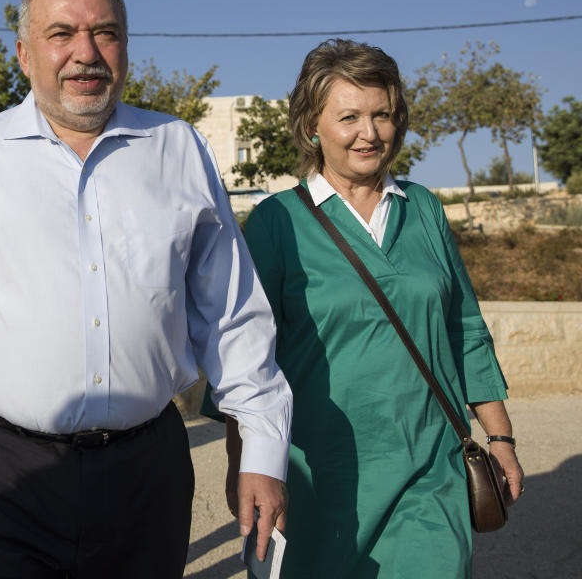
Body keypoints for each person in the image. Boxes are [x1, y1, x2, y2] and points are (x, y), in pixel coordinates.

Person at [0, 0, 293, 577]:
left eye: (106, 34)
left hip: (146, 476)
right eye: (61, 33)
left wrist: (263, 449)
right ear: (23, 52)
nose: (85, 54)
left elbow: (231, 313)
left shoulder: (179, 149)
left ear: (125, 47)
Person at [205, 38, 524, 578]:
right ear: (312, 125)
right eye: (349, 116)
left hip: (432, 468)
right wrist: (246, 470)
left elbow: (464, 327)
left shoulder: (422, 209)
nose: (370, 132)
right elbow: (246, 358)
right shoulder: (275, 222)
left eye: (382, 115)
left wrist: (501, 438)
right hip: (318, 474)